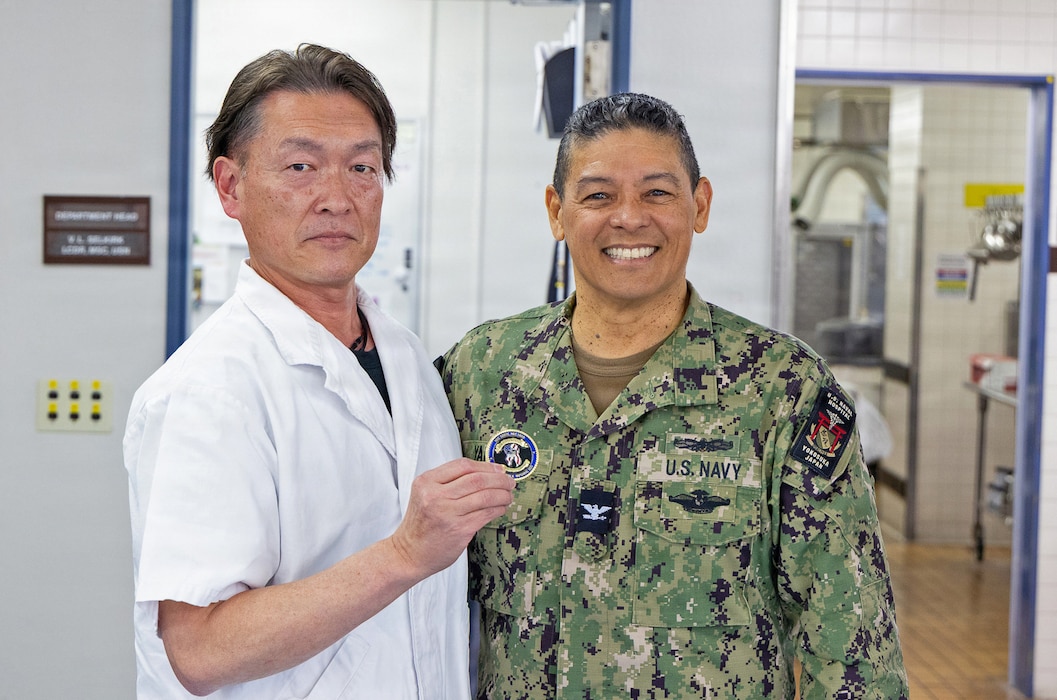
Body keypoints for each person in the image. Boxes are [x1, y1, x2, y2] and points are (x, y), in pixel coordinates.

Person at [440, 93, 909, 698]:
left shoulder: (780, 389)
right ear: (557, 211)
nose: (629, 218)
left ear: (700, 205)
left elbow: (851, 643)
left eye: (657, 193)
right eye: (598, 195)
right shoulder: (481, 374)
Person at [123, 44, 515, 699]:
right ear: (230, 186)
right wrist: (403, 553)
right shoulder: (210, 392)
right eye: (301, 166)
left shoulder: (406, 357)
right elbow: (199, 649)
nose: (337, 197)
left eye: (362, 167)